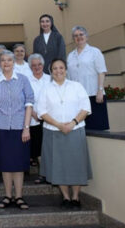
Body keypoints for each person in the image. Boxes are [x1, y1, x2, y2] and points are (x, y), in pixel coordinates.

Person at [36, 59, 92, 209]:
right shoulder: (46, 89)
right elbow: (41, 111)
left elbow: (85, 107)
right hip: (53, 131)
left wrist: (73, 123)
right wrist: (59, 125)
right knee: (58, 165)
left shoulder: (77, 86)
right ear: (51, 71)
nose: (58, 71)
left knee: (76, 165)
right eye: (54, 68)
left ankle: (75, 197)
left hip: (75, 130)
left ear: (66, 70)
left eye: (61, 68)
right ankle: (66, 197)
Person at [0, 50, 34, 210]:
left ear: (14, 63)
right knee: (6, 164)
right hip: (1, 129)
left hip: (20, 129)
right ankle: (8, 196)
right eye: (3, 60)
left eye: (9, 60)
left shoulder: (23, 80)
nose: (6, 63)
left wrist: (26, 128)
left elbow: (29, 104)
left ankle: (19, 197)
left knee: (19, 164)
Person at [67, 26, 109, 130]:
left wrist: (100, 90)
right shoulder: (70, 56)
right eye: (75, 36)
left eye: (81, 34)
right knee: (81, 128)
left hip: (93, 95)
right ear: (73, 39)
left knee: (97, 127)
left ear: (86, 36)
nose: (79, 37)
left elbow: (101, 72)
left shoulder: (95, 52)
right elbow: (68, 77)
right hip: (77, 98)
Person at [26, 54, 48, 182]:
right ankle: (43, 174)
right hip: (34, 120)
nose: (37, 67)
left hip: (51, 120)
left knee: (49, 149)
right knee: (38, 149)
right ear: (30, 67)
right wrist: (36, 115)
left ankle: (51, 173)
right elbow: (26, 100)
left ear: (43, 65)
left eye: (39, 64)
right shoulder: (26, 81)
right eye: (33, 65)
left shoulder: (50, 79)